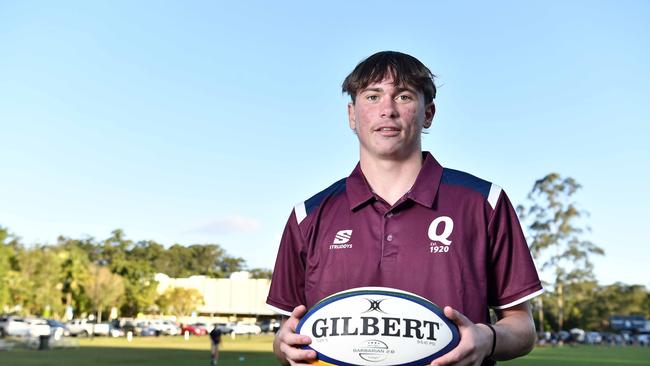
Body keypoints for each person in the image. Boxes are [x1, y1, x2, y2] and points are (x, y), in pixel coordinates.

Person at [266, 51, 543, 366]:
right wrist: (283, 345)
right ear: (352, 115)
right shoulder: (308, 215)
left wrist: (487, 338)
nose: (387, 110)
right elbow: (285, 335)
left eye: (403, 96)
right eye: (372, 96)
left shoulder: (484, 202)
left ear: (428, 114)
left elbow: (523, 327)